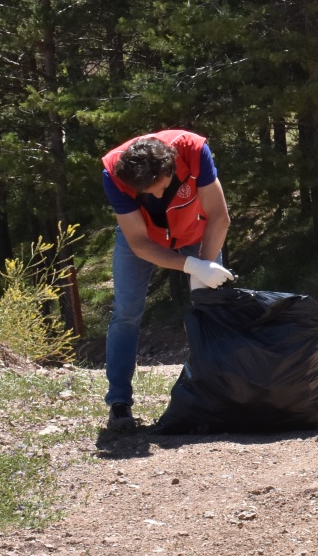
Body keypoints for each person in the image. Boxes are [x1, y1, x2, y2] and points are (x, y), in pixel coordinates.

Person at [100, 130, 234, 431]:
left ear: (171, 168)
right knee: (126, 312)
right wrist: (190, 265)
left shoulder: (194, 150)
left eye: (159, 188)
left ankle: (221, 397)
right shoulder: (113, 172)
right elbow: (139, 243)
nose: (156, 196)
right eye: (147, 192)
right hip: (145, 237)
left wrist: (206, 266)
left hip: (195, 231)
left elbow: (219, 216)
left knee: (212, 308)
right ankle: (119, 404)